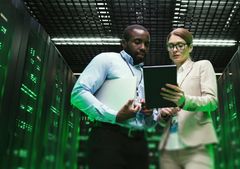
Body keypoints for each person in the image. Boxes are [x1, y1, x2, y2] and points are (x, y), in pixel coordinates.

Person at [71, 24, 157, 169]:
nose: (143, 47)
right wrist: (115, 116)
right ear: (123, 43)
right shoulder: (107, 60)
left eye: (146, 44)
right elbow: (78, 94)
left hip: (139, 143)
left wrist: (149, 114)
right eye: (137, 42)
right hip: (108, 139)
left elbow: (150, 123)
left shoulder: (145, 74)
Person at [157, 28, 219, 169]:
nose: (175, 50)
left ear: (190, 47)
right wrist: (163, 114)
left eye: (180, 45)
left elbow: (212, 101)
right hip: (168, 148)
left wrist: (184, 101)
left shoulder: (202, 66)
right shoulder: (165, 74)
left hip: (197, 144)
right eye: (171, 46)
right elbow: (160, 121)